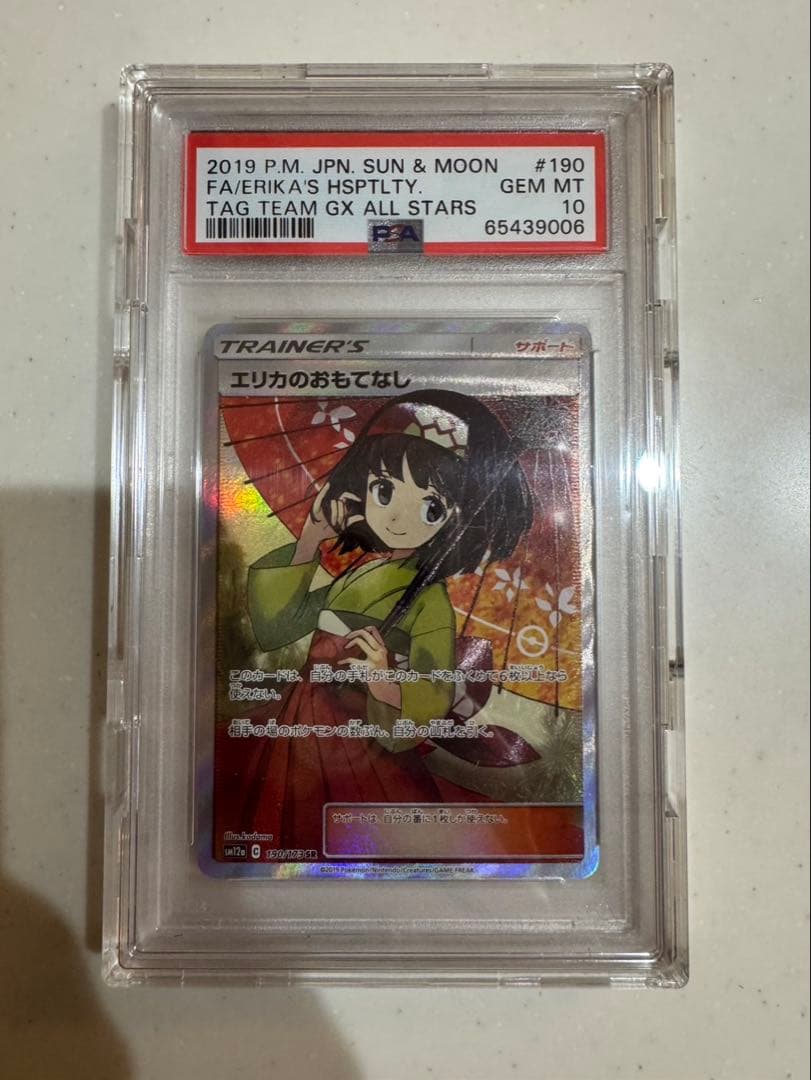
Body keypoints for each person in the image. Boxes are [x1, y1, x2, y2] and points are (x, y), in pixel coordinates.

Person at [232, 389, 534, 857]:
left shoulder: (429, 599)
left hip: (362, 737)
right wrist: (311, 538)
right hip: (304, 720)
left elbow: (433, 690)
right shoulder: (359, 567)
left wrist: (385, 681)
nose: (396, 517)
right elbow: (277, 627)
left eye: (431, 507)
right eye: (384, 490)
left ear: (454, 519)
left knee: (361, 832)